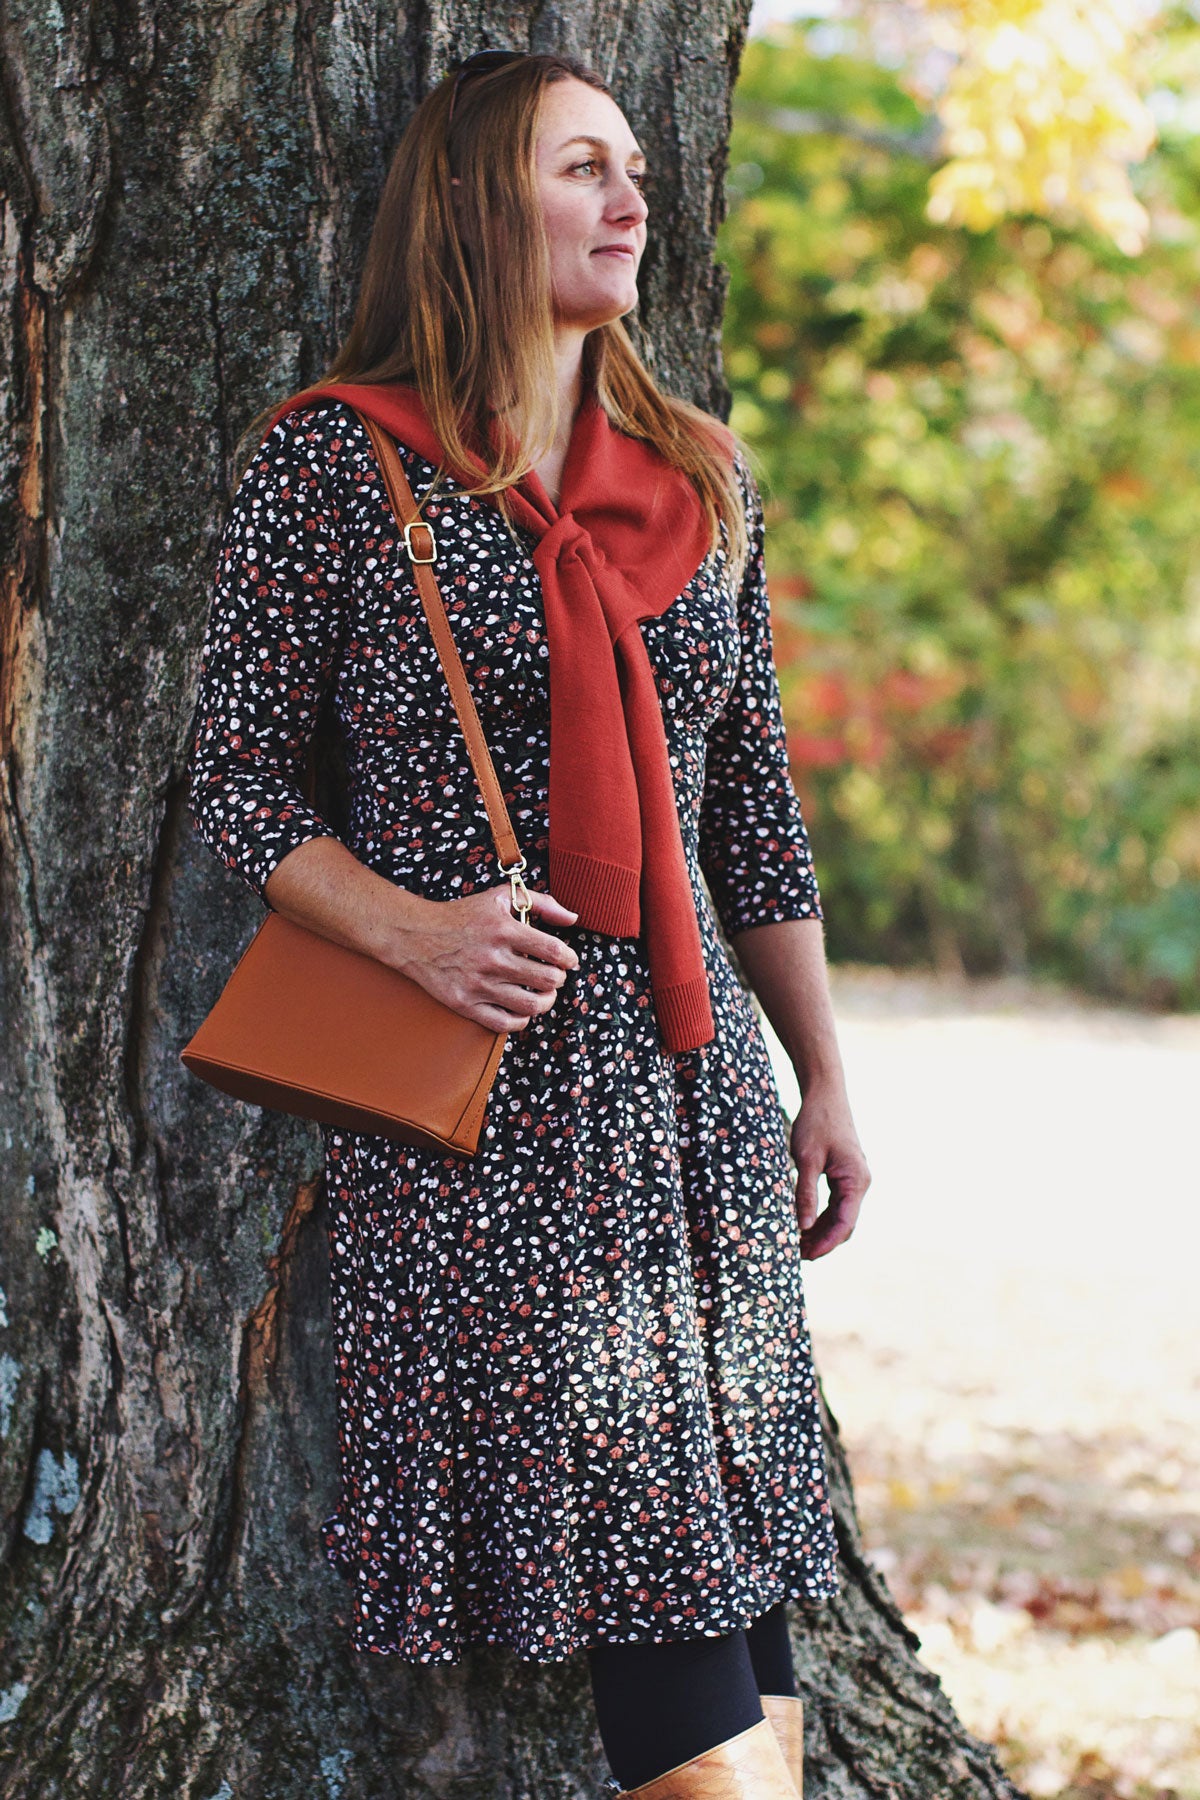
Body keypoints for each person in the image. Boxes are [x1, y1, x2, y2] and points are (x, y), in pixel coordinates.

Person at [186, 47, 871, 1800]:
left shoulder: (698, 482)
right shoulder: (337, 466)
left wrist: (826, 1080)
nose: (632, 199)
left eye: (634, 165)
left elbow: (750, 813)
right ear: (480, 205)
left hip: (694, 1099)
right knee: (656, 1566)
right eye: (582, 168)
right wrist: (416, 931)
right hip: (486, 1114)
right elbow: (238, 785)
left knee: (737, 1543)